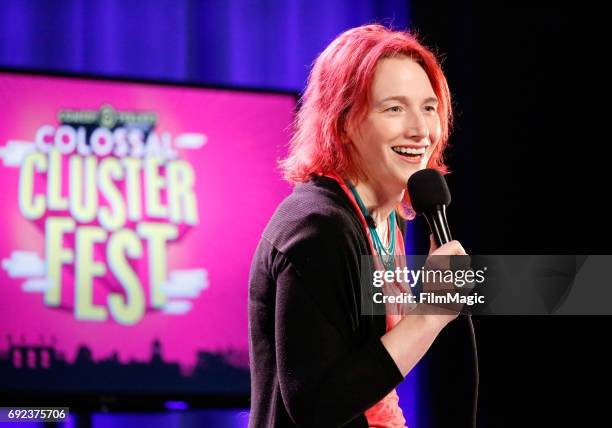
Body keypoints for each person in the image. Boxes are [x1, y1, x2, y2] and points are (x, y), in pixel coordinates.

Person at [248, 24, 468, 428]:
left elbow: (372, 386)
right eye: (394, 108)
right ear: (345, 121)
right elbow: (316, 408)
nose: (421, 130)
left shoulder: (381, 221)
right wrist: (430, 314)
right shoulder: (318, 230)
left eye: (429, 107)